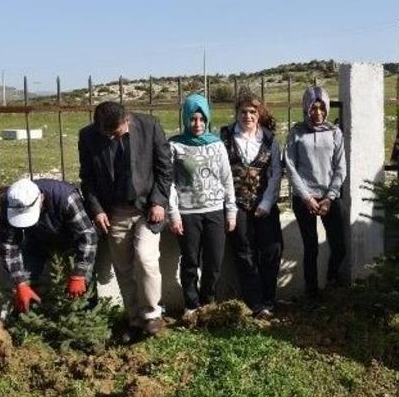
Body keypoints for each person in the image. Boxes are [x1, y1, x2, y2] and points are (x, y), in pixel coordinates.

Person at [78, 101, 171, 338]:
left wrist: (159, 201)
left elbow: (164, 168)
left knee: (146, 258)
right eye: (105, 134)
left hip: (146, 209)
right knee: (123, 267)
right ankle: (135, 320)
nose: (110, 138)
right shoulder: (88, 137)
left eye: (115, 132)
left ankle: (152, 315)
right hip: (114, 212)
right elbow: (87, 178)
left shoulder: (149, 126)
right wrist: (97, 209)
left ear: (126, 119)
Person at [168, 93, 237, 315]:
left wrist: (231, 211)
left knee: (214, 262)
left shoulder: (217, 144)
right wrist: (174, 214)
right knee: (190, 262)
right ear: (185, 119)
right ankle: (191, 305)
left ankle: (208, 303)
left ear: (207, 119)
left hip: (215, 211)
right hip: (188, 212)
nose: (197, 124)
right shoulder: (175, 145)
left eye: (201, 119)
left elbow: (227, 179)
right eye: (192, 119)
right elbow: (169, 183)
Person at [221, 92, 283, 318]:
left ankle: (269, 299)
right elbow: (222, 173)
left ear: (259, 114)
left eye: (253, 112)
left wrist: (266, 203)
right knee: (244, 254)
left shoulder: (269, 139)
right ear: (237, 113)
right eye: (244, 111)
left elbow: (276, 174)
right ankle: (255, 304)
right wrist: (231, 206)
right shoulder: (225, 137)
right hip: (236, 205)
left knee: (271, 250)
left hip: (264, 203)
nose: (248, 116)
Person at [285, 85, 347, 300]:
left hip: (329, 197)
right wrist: (306, 197)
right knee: (311, 247)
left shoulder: (334, 132)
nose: (317, 112)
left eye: (321, 108)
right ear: (306, 108)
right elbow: (290, 166)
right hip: (305, 199)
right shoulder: (297, 132)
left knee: (339, 245)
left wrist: (330, 197)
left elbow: (340, 167)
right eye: (313, 108)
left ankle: (332, 281)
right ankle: (311, 294)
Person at [0, 178, 98, 313]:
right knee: (25, 281)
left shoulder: (66, 198)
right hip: (36, 240)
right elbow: (9, 245)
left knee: (83, 286)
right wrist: (20, 282)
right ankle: (27, 321)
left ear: (42, 198)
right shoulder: (9, 202)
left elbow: (87, 235)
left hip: (72, 242)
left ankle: (87, 318)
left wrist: (79, 273)